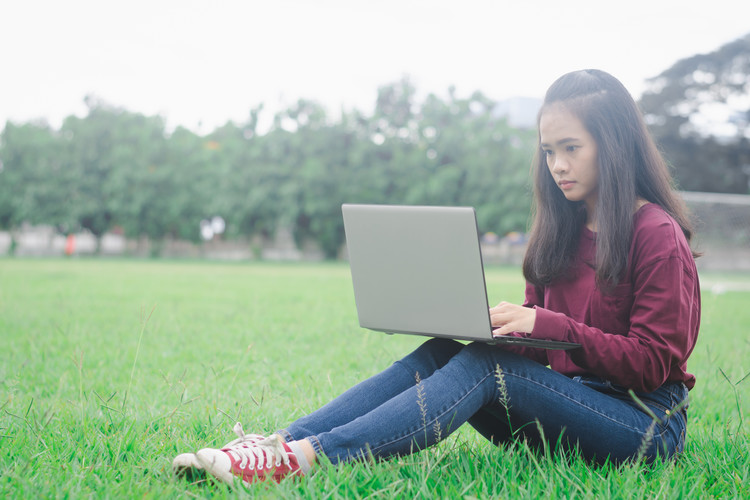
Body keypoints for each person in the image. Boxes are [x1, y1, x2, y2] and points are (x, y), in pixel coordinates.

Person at [172, 69, 701, 485]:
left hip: (644, 424)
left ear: (613, 145)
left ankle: (304, 460)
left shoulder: (655, 233)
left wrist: (550, 325)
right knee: (446, 349)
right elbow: (545, 356)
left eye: (571, 148)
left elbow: (654, 364)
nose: (557, 165)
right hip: (570, 405)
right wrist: (496, 329)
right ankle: (279, 444)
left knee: (487, 368)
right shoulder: (560, 227)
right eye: (548, 151)